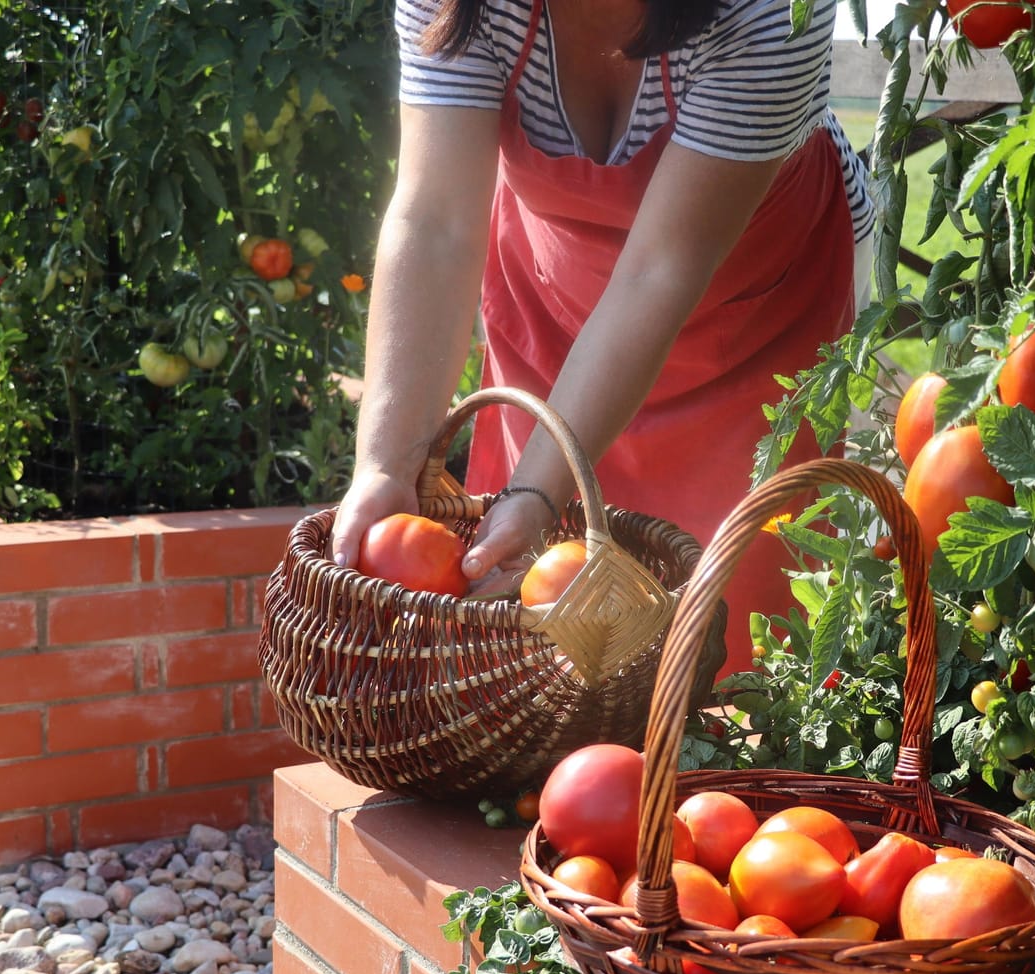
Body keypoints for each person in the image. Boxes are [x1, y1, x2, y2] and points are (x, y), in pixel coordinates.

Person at [330, 0, 876, 673]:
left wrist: (535, 494)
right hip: (550, 307)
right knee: (524, 640)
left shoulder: (765, 11)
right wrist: (386, 464)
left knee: (727, 662)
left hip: (756, 328)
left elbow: (658, 271)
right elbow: (435, 222)